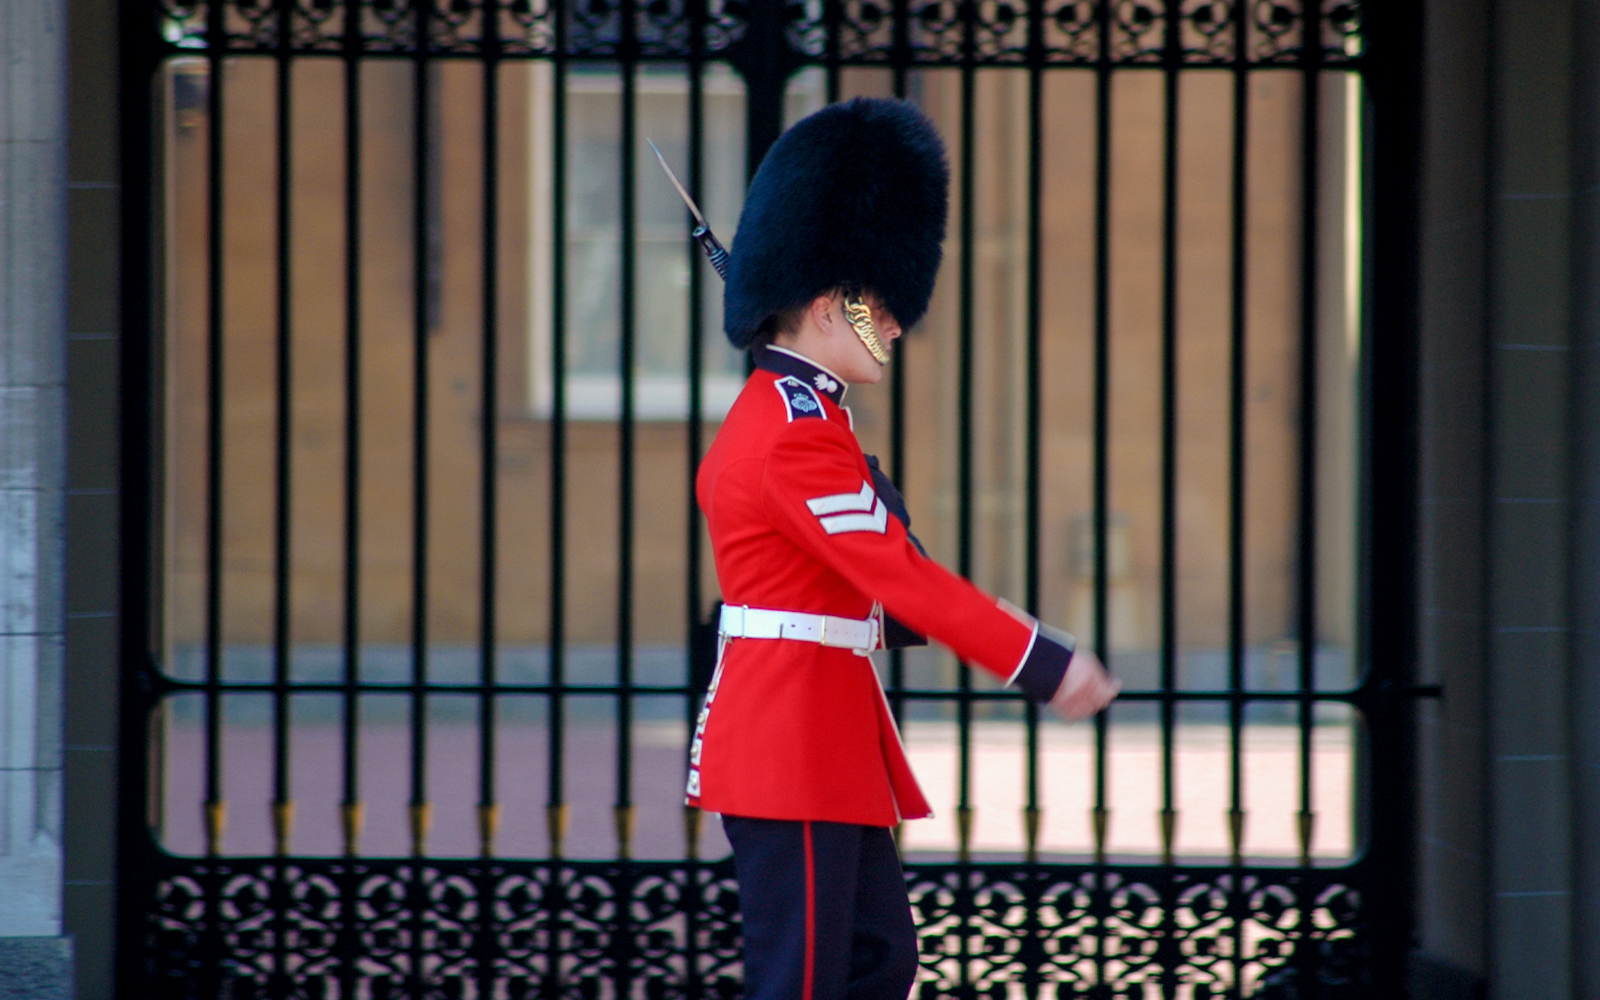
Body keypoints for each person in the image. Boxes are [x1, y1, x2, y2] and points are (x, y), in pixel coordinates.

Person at [686, 97, 1118, 1000]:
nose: (891, 324)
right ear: (818, 303)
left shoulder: (808, 422)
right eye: (871, 303)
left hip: (825, 735)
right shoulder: (791, 433)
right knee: (804, 980)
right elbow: (899, 575)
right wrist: (1041, 660)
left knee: (878, 964)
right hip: (789, 744)